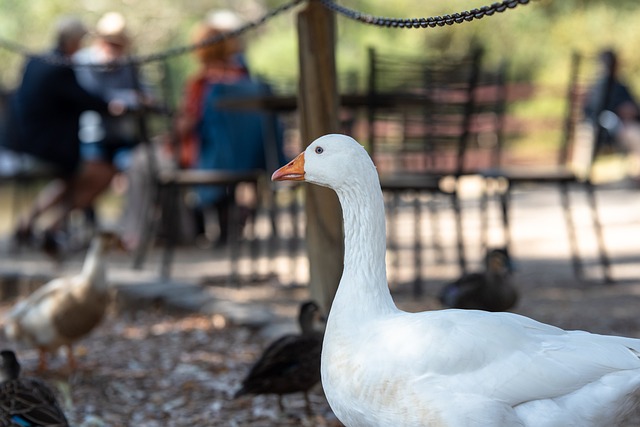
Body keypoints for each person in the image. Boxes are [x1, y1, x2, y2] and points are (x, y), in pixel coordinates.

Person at [4, 16, 124, 256]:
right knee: (103, 173)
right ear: (74, 41)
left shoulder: (37, 60)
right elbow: (83, 98)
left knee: (69, 180)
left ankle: (29, 224)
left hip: (26, 143)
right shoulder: (60, 68)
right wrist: (111, 105)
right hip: (47, 147)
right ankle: (52, 225)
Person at [583, 49, 640, 161]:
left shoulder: (620, 85)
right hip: (609, 127)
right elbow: (593, 111)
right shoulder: (599, 87)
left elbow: (634, 106)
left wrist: (632, 111)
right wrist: (619, 111)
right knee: (634, 135)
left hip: (628, 124)